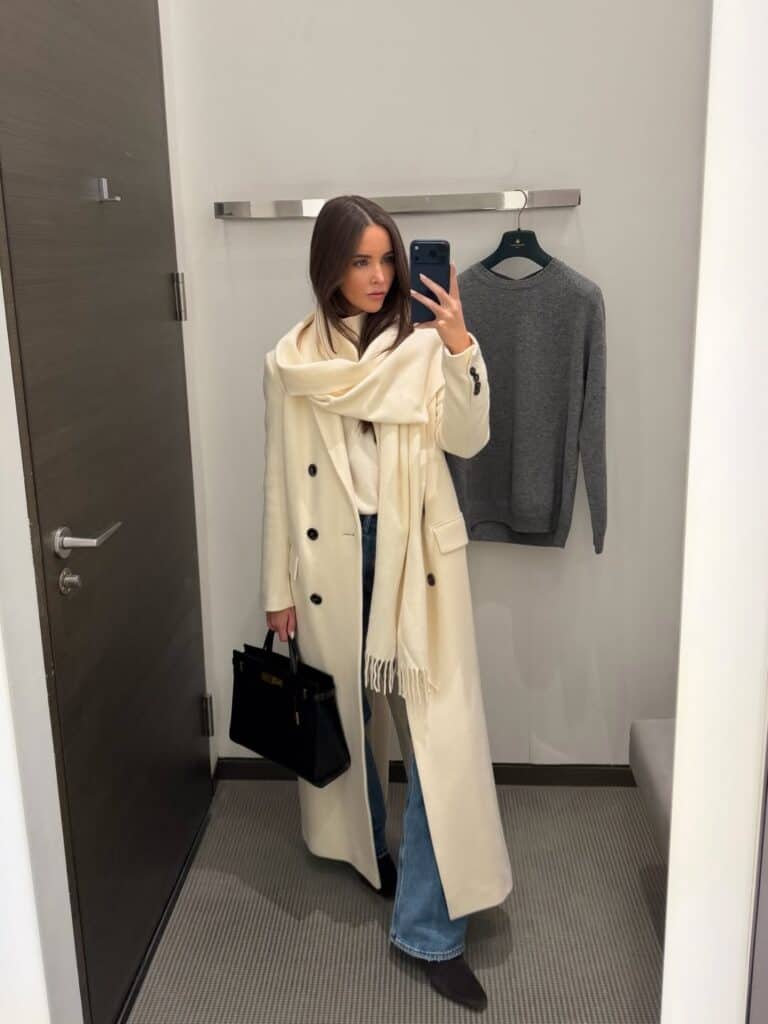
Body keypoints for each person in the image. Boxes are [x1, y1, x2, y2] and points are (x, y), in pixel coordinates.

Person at [262, 195, 513, 1012]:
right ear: (330, 265)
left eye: (388, 259)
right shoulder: (290, 359)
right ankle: (372, 857)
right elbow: (277, 477)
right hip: (330, 561)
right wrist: (276, 590)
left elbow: (468, 439)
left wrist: (460, 347)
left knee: (434, 742)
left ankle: (429, 932)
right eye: (361, 260)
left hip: (413, 561)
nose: (379, 277)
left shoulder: (418, 345)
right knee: (345, 720)